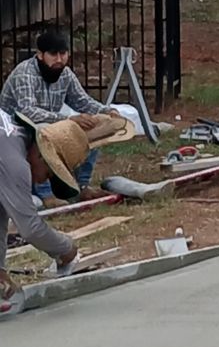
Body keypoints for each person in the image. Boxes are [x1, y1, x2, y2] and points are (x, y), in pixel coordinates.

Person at [0, 109, 133, 307]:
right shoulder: (15, 164)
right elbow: (31, 229)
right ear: (41, 156)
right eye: (50, 173)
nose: (43, 180)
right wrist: (66, 248)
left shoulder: (13, 138)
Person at [0, 28, 121, 197]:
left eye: (63, 53)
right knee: (42, 132)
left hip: (49, 126)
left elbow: (82, 101)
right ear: (40, 55)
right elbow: (27, 113)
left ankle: (82, 187)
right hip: (12, 133)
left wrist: (107, 112)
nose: (59, 59)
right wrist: (69, 120)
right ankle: (45, 194)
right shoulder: (25, 73)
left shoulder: (65, 74)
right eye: (53, 54)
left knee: (95, 127)